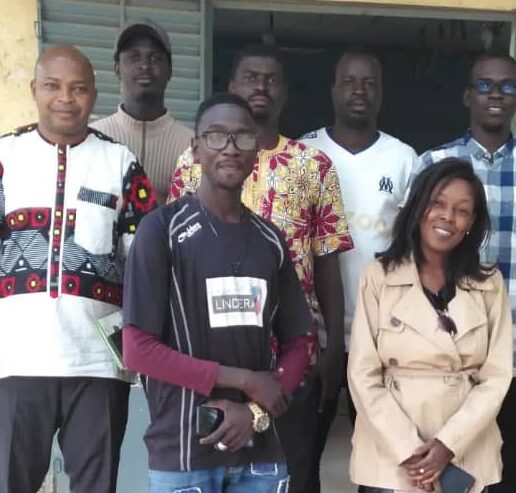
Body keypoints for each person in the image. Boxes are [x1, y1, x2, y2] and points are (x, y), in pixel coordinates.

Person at [168, 43, 353, 493]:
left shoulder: (313, 164)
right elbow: (175, 258)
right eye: (251, 77)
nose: (261, 86)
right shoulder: (194, 164)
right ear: (231, 87)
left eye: (271, 79)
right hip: (210, 359)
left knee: (294, 475)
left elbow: (327, 257)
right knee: (211, 477)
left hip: (292, 359)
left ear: (285, 92)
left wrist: (332, 351)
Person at [122, 92, 314, 492]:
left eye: (242, 137)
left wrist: (256, 411)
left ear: (257, 148)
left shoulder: (270, 241)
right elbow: (138, 348)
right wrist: (246, 380)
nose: (230, 148)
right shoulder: (162, 231)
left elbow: (300, 341)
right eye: (216, 136)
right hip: (184, 455)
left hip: (259, 457)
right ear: (195, 148)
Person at [0, 45, 156, 493]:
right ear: (34, 90)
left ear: (94, 94)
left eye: (78, 88)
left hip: (98, 365)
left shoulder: (119, 163)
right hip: (17, 360)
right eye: (53, 86)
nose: (65, 98)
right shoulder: (6, 158)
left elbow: (144, 264)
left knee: (96, 486)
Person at [415, 51, 516, 492]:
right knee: (440, 468)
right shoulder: (434, 164)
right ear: (467, 96)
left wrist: (515, 281)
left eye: (507, 86)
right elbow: (412, 245)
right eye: (484, 85)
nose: (495, 94)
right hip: (442, 352)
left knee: (507, 466)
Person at [348, 158, 513, 493]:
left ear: (472, 222)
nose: (447, 217)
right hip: (391, 455)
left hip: (466, 452)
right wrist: (413, 454)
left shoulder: (489, 283)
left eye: (462, 210)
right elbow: (362, 376)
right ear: (419, 207)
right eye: (437, 203)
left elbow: (496, 377)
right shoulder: (379, 276)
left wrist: (447, 445)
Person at [301, 45, 418, 454]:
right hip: (313, 331)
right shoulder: (305, 154)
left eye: (369, 84)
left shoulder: (404, 159)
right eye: (349, 82)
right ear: (333, 90)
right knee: (305, 452)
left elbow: (416, 248)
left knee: (381, 456)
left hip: (382, 333)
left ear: (381, 92)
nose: (359, 92)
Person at [92, 18, 192, 205]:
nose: (144, 66)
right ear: (117, 68)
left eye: (154, 58)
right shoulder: (95, 138)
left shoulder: (190, 146)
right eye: (134, 57)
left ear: (170, 70)